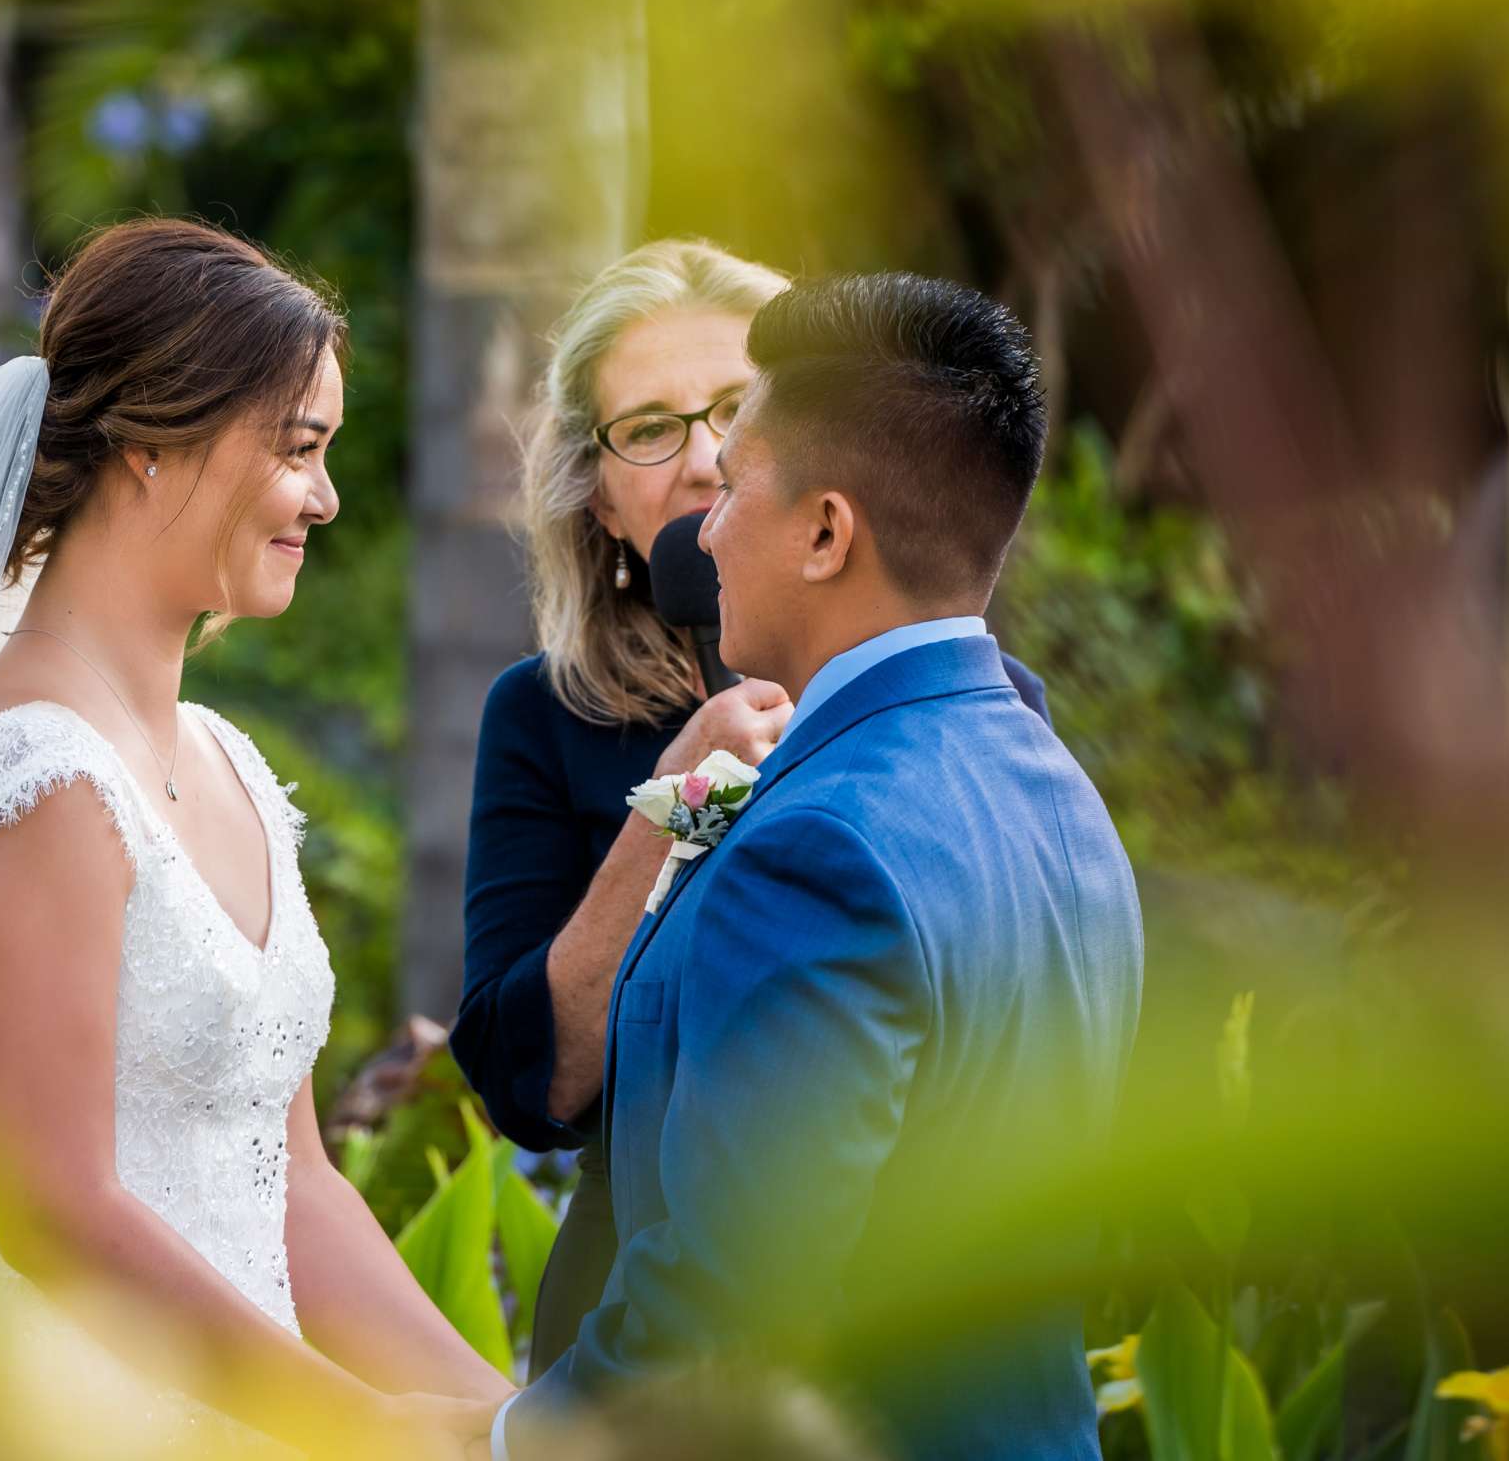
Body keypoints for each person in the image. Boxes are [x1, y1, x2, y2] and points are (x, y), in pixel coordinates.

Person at [0, 218, 507, 1458]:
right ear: (157, 446)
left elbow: (293, 1185)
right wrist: (357, 1427)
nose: (326, 499)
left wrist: (500, 1416)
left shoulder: (227, 759)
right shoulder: (43, 772)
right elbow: (51, 1203)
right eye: (300, 450)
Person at [488, 273, 1144, 1460]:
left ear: (828, 530)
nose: (708, 528)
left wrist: (509, 1440)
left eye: (734, 483)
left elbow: (729, 1297)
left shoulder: (813, 846)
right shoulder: (1058, 790)